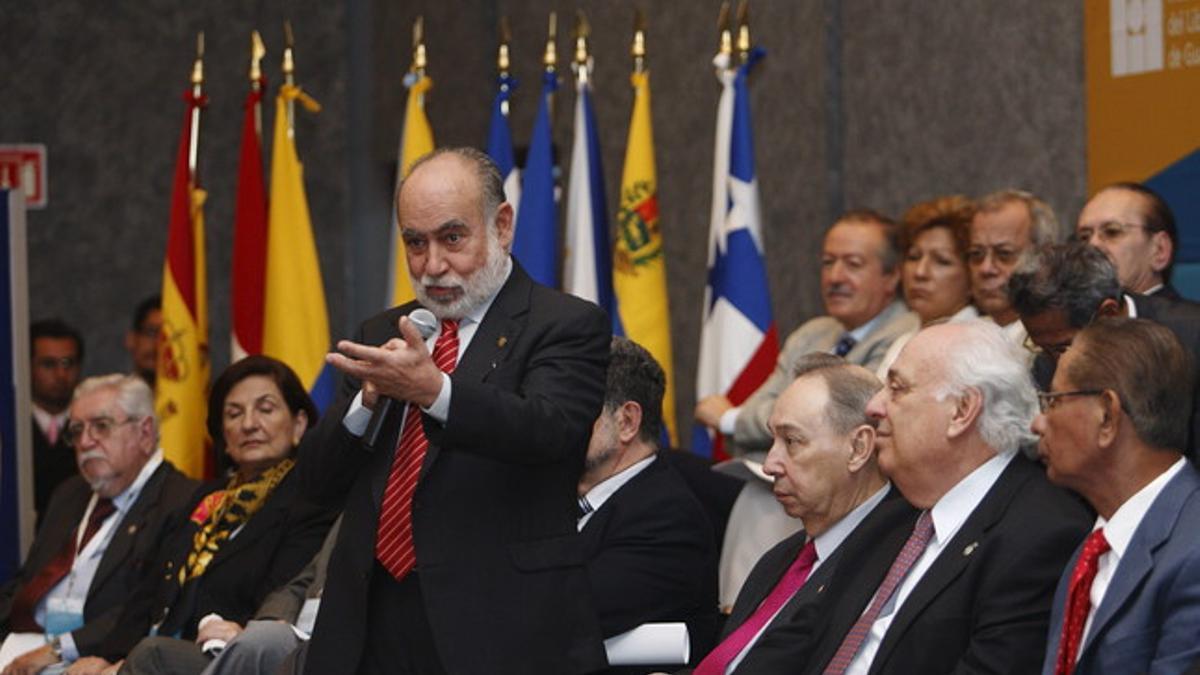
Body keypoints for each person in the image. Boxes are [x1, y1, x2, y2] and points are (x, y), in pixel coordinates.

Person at [298, 147, 611, 674]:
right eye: (415, 243)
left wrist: (433, 391)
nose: (432, 265)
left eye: (452, 238)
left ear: (503, 226)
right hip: (371, 618)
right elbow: (316, 487)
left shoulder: (565, 323)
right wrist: (366, 403)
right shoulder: (383, 333)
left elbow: (547, 431)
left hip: (495, 622)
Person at [806, 320, 1090, 674]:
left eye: (897, 388)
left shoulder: (1040, 536)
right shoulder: (889, 516)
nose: (874, 406)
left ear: (961, 411)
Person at [695, 209, 918, 609]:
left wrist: (728, 418)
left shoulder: (908, 336)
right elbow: (766, 409)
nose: (835, 277)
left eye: (853, 264)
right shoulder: (813, 333)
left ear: (891, 276)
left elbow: (855, 415)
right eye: (828, 262)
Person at [72, 356, 336, 673]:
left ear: (299, 424)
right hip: (158, 651)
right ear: (223, 437)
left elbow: (281, 599)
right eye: (234, 414)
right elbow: (151, 589)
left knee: (151, 656)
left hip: (232, 657)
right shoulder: (208, 497)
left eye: (265, 409)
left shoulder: (309, 503)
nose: (249, 423)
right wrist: (110, 657)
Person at [686, 354, 916, 675]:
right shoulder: (779, 558)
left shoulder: (897, 555)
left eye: (792, 441)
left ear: (859, 448)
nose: (769, 464)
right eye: (772, 440)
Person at [1033, 317, 1200, 674]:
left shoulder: (1193, 553)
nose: (1037, 423)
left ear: (1107, 416)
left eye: (1052, 401)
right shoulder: (1091, 549)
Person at [0, 375, 196, 675]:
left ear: (144, 432)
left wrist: (58, 649)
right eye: (76, 430)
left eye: (101, 426)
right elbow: (28, 580)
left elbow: (150, 605)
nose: (85, 441)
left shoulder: (180, 500)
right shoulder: (69, 493)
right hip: (21, 644)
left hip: (96, 655)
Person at [576, 337, 718, 667]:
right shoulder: (551, 491)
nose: (557, 418)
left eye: (576, 405)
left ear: (626, 421)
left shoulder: (668, 519)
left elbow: (560, 612)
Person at [1008, 242, 1200, 457]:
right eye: (1040, 346)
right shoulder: (1045, 364)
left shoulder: (1192, 338)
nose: (1057, 362)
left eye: (1063, 347)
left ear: (1108, 313)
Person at [875, 196, 978, 376]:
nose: (920, 272)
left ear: (972, 275)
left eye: (942, 261)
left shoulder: (977, 345)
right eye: (913, 257)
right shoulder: (903, 341)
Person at [967, 189, 1061, 348]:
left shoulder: (1056, 343)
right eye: (977, 254)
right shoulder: (961, 337)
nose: (985, 268)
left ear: (1043, 257)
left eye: (1004, 254)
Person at [1076, 182, 1180, 298]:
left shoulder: (1188, 316)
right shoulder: (1071, 315)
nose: (1093, 244)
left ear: (1160, 250)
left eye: (1112, 232)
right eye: (1084, 237)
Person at [29, 319, 86, 523]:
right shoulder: (12, 428)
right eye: (48, 364)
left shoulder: (95, 426)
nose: (61, 374)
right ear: (27, 366)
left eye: (68, 363)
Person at [124, 296, 161, 389]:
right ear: (131, 339)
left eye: (168, 337)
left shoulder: (197, 402)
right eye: (151, 332)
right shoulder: (111, 400)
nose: (158, 343)